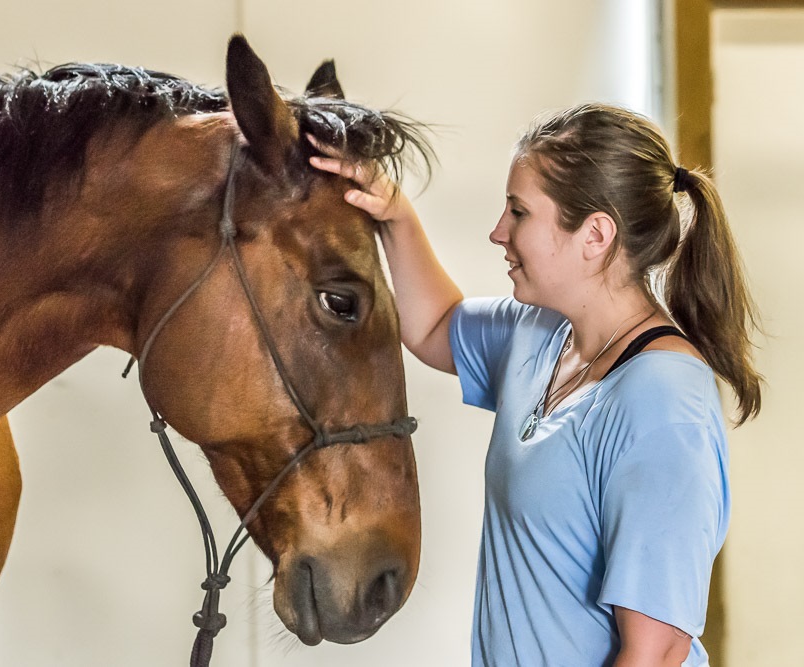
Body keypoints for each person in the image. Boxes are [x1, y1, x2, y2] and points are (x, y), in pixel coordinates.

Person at [308, 102, 762, 666]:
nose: (498, 232)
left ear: (595, 234)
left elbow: (656, 654)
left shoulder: (663, 403)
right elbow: (432, 325)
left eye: (519, 212)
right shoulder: (539, 333)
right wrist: (394, 214)